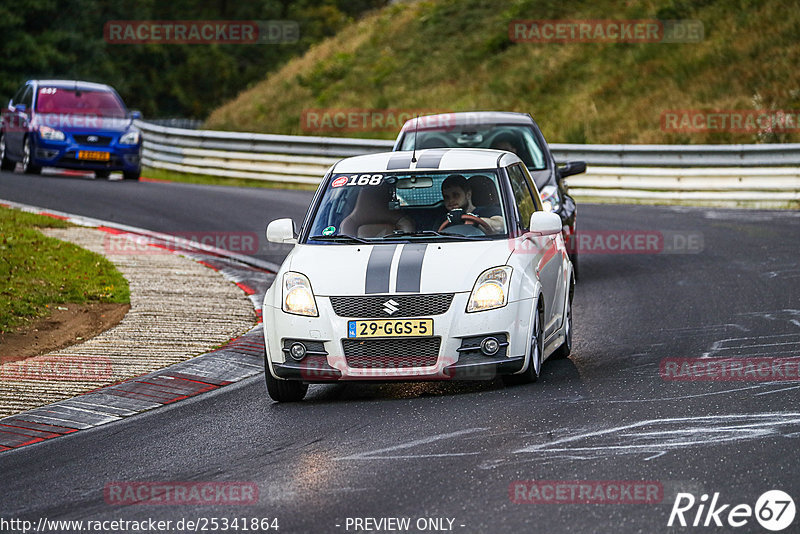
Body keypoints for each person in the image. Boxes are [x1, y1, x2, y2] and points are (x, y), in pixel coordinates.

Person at [439, 174, 504, 234]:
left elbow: (499, 226)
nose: (451, 200)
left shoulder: (489, 211)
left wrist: (472, 219)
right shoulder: (443, 219)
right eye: (446, 197)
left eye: (456, 195)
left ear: (468, 194)